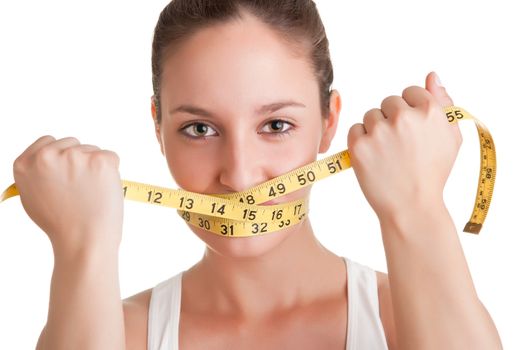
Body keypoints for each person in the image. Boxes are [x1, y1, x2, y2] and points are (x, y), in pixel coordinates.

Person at [12, 0, 502, 349]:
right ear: (157, 129)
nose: (241, 176)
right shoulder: (114, 334)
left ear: (329, 122)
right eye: (199, 128)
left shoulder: (406, 317)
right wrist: (83, 246)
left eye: (276, 125)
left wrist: (416, 207)